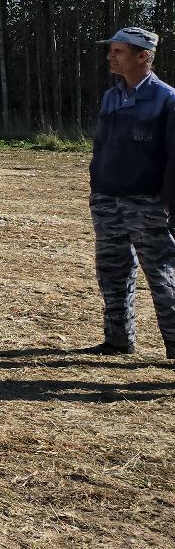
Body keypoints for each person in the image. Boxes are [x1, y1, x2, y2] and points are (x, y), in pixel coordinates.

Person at [88, 26, 175, 359]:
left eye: (118, 51)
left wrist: (168, 203)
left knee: (162, 274)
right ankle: (118, 339)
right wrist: (97, 188)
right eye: (111, 50)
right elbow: (100, 146)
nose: (110, 56)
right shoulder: (111, 96)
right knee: (112, 270)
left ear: (143, 56)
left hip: (148, 204)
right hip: (108, 200)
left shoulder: (166, 99)